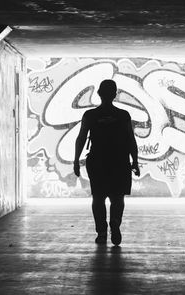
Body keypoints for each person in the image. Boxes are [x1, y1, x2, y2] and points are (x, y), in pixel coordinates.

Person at [73, 79, 140, 246]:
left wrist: (75, 160)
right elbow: (131, 140)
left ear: (99, 94)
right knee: (118, 198)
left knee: (98, 197)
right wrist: (135, 161)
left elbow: (81, 138)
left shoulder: (90, 115)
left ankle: (102, 231)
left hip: (97, 161)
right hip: (120, 161)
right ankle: (115, 221)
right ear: (115, 95)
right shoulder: (123, 115)